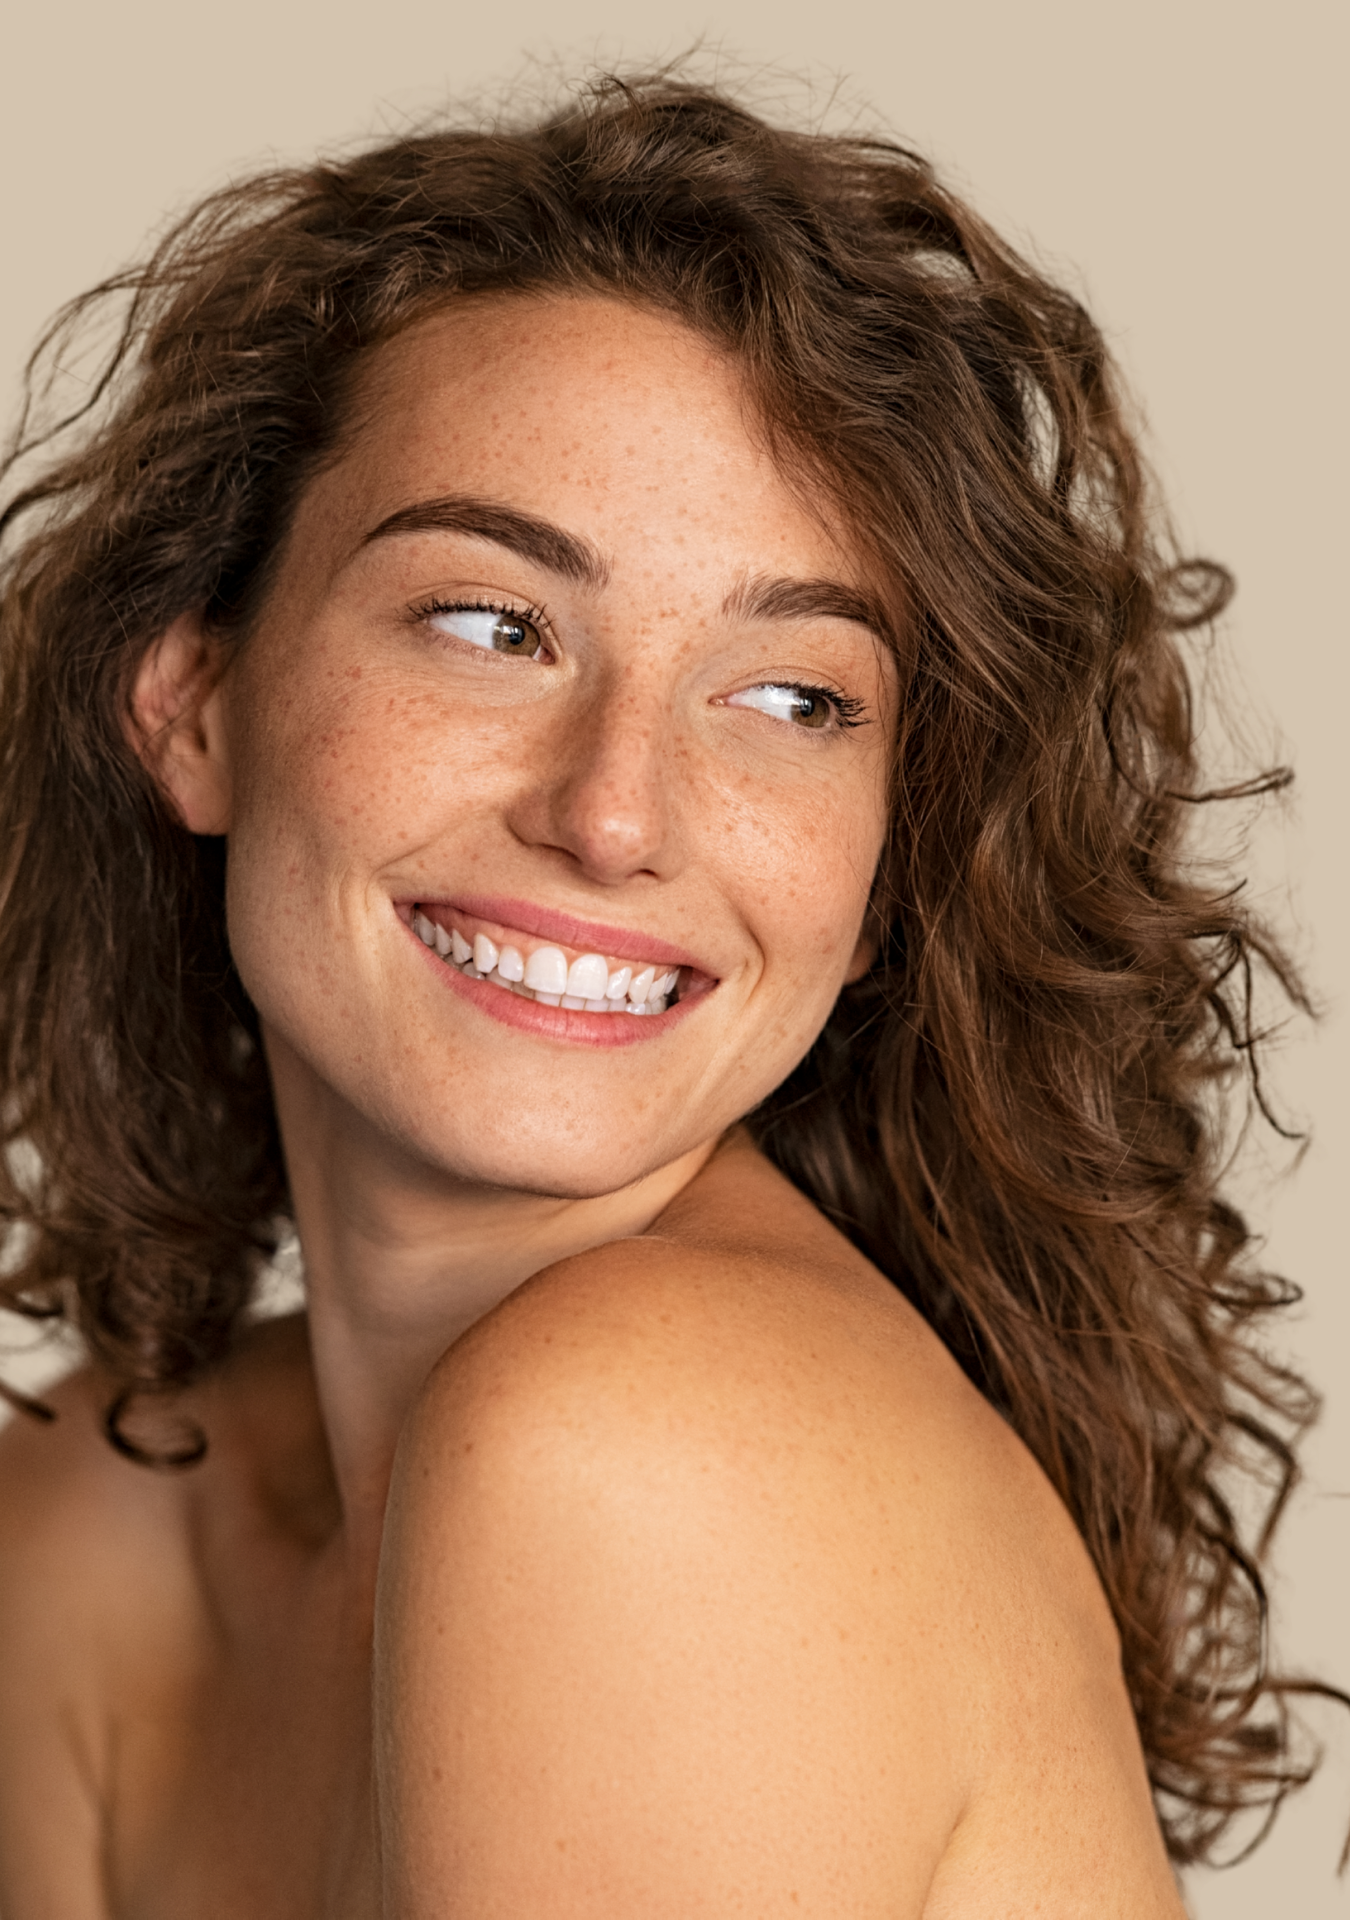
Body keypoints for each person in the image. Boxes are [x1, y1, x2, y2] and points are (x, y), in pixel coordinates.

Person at [0, 70, 1333, 1916]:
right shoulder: (99, 1521)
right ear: (194, 704)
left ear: (878, 878)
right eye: (493, 624)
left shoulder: (649, 1449)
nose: (614, 814)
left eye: (792, 698)